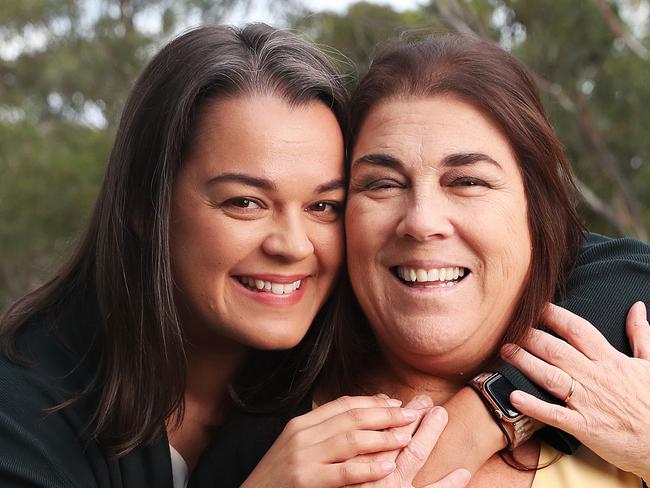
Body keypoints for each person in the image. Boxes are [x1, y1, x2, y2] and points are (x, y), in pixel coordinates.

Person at [190, 34, 650, 487]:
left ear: (536, 211)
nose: (421, 221)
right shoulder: (265, 458)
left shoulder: (628, 379)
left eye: (467, 180)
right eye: (383, 184)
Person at [0, 24, 429, 488]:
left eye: (323, 207)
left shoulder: (341, 364)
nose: (293, 245)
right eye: (245, 202)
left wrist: (501, 400)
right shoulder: (19, 408)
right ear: (144, 207)